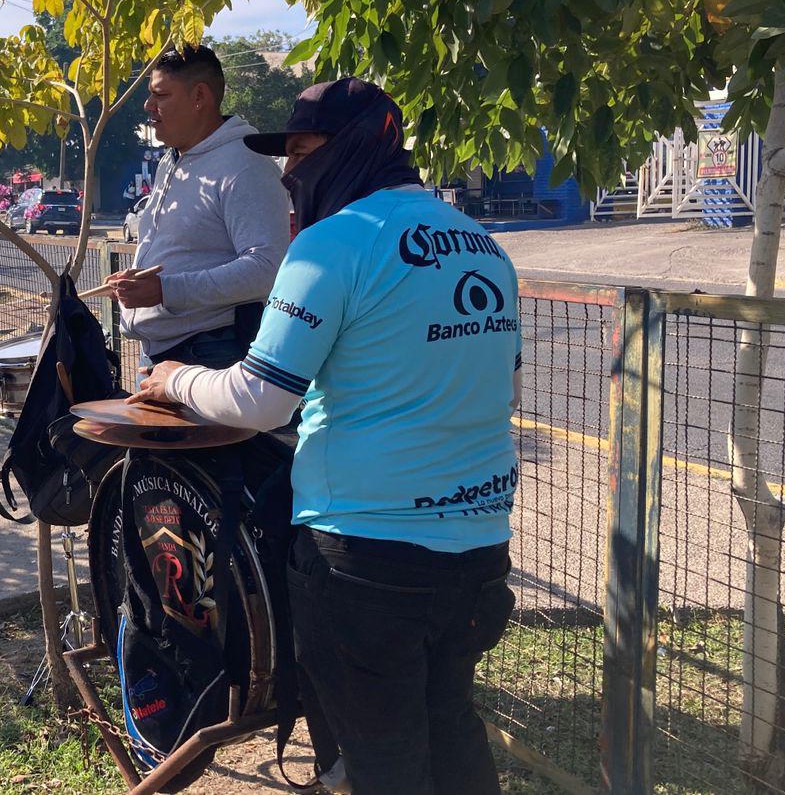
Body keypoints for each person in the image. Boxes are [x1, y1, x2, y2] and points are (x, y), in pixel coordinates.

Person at [130, 78, 522, 795]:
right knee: (453, 730)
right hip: (479, 553)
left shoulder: (330, 246)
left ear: (357, 147)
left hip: (366, 563)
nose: (288, 174)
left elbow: (259, 399)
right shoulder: (483, 247)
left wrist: (176, 378)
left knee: (385, 763)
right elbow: (498, 379)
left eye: (304, 151)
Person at [105, 45, 291, 370]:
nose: (148, 106)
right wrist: (137, 285)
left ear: (199, 97)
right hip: (160, 355)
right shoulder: (170, 160)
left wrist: (166, 290)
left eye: (160, 95)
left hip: (211, 356)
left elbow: (267, 268)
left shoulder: (245, 164)